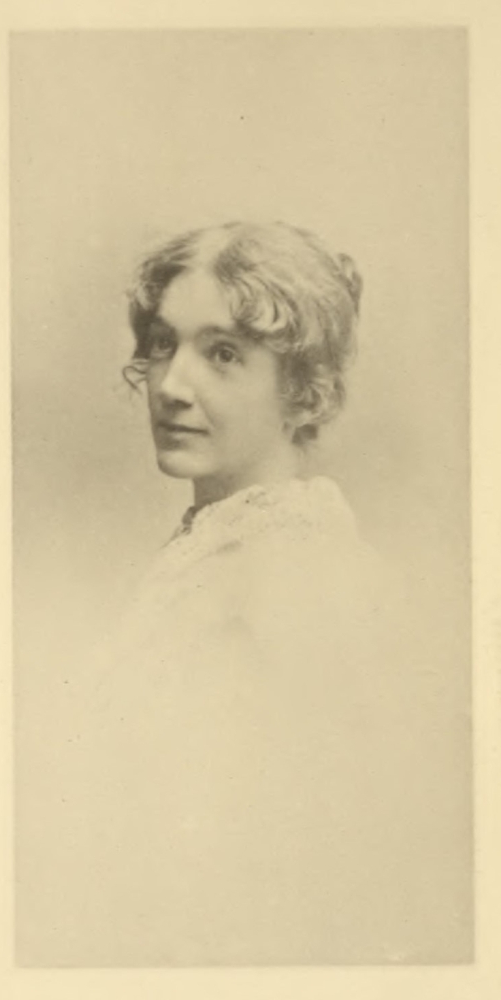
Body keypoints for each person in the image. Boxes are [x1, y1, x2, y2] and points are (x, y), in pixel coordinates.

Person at [51, 222, 464, 966]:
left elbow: (302, 874)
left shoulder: (294, 577)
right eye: (163, 344)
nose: (172, 386)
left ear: (303, 390)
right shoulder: (218, 552)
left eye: (223, 354)